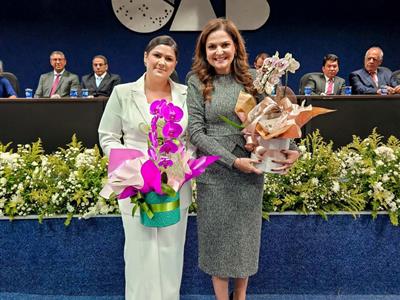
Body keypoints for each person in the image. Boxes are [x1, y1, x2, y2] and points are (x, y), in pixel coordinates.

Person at [186, 18, 300, 300]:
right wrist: (233, 162)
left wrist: (290, 148)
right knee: (218, 243)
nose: (219, 51)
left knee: (244, 240)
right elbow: (197, 133)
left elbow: (274, 119)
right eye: (212, 46)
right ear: (204, 51)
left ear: (236, 46)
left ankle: (242, 296)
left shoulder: (253, 78)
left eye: (225, 44)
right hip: (215, 172)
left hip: (252, 170)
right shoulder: (197, 81)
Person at [98, 35, 191, 300]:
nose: (162, 62)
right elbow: (108, 135)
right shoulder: (123, 93)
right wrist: (132, 167)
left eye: (169, 58)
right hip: (135, 184)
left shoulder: (186, 94)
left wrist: (180, 168)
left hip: (174, 183)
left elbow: (192, 138)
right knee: (140, 254)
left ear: (175, 64)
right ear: (145, 57)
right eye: (157, 55)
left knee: (171, 253)